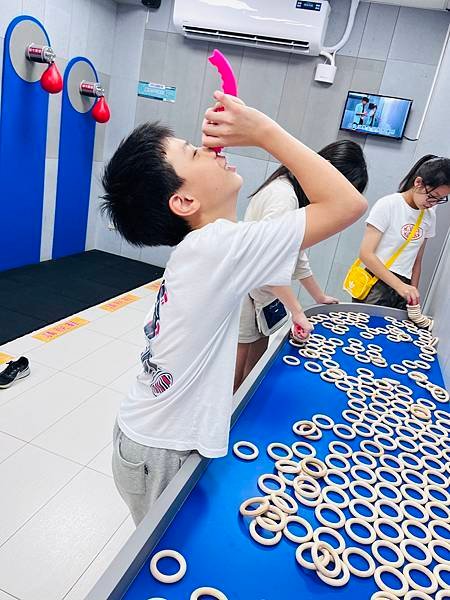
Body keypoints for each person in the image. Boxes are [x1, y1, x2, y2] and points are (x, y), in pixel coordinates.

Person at [101, 91, 367, 525]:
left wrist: (297, 307)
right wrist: (263, 133)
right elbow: (349, 205)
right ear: (184, 202)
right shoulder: (217, 246)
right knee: (159, 556)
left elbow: (270, 272)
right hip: (157, 447)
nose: (208, 148)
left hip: (147, 436)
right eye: (193, 152)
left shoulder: (209, 246)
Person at [235, 140, 368, 391]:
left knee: (254, 368)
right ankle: (220, 426)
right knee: (236, 373)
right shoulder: (284, 196)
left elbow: (296, 254)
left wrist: (319, 296)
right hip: (245, 292)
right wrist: (297, 311)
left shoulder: (296, 195)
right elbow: (270, 263)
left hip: (260, 295)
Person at [355, 154, 450, 309]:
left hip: (404, 287)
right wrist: (399, 286)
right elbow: (366, 254)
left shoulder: (429, 216)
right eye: (433, 196)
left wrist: (413, 296)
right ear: (418, 182)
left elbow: (417, 260)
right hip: (376, 282)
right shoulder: (389, 204)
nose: (433, 204)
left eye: (441, 199)